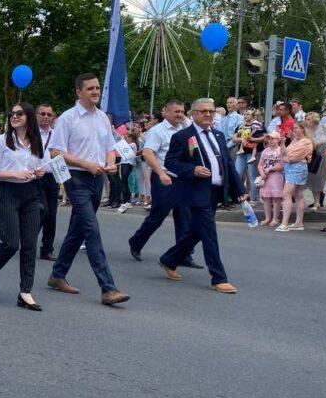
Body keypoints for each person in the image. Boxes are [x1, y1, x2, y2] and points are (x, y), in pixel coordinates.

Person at [46, 73, 130, 306]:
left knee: (79, 229)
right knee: (91, 229)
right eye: (90, 88)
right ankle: (108, 288)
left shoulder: (103, 117)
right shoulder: (67, 118)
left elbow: (110, 147)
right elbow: (55, 152)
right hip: (76, 178)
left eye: (97, 88)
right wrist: (86, 164)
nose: (95, 92)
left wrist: (111, 163)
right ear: (78, 92)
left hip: (97, 178)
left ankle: (57, 275)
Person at [156, 98, 246, 294]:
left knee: (197, 231)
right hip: (195, 193)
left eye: (211, 111)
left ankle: (169, 259)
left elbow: (228, 165)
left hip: (215, 192)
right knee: (209, 233)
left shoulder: (219, 135)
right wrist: (192, 169)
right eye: (203, 111)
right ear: (193, 113)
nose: (208, 115)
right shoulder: (183, 136)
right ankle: (218, 277)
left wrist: (240, 190)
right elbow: (171, 163)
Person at [0, 102, 45, 311]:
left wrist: (40, 171)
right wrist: (14, 174)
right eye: (12, 113)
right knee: (10, 243)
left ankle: (25, 292)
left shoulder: (37, 141)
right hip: (8, 192)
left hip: (31, 194)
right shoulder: (1, 141)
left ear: (28, 117)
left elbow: (44, 164)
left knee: (29, 244)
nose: (14, 116)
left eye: (19, 113)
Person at [128, 100, 200, 266]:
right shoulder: (158, 131)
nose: (180, 115)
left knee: (184, 217)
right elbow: (148, 153)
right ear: (165, 112)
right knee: (157, 216)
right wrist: (160, 173)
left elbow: (191, 151)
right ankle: (136, 242)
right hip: (164, 178)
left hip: (182, 179)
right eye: (176, 112)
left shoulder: (184, 130)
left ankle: (184, 255)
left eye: (182, 112)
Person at [276, 123, 313, 232]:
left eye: (296, 128)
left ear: (303, 129)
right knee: (298, 195)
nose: (294, 130)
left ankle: (284, 223)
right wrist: (282, 143)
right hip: (290, 167)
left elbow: (292, 157)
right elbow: (282, 154)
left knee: (286, 194)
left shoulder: (306, 141)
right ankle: (298, 222)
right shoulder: (294, 140)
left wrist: (286, 157)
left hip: (298, 167)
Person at [35, 104, 59, 260]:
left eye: (49, 114)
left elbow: (61, 155)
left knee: (52, 215)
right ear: (36, 115)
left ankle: (47, 249)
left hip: (53, 176)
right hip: (36, 177)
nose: (46, 117)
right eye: (42, 113)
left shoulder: (56, 134)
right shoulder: (30, 134)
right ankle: (28, 239)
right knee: (43, 212)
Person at [257, 132, 285, 226]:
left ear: (278, 139)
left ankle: (275, 218)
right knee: (266, 197)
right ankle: (267, 218)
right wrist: (262, 173)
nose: (270, 140)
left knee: (276, 198)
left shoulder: (280, 150)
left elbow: (282, 165)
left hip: (276, 175)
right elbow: (260, 164)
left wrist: (270, 169)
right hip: (266, 176)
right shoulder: (265, 151)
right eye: (269, 139)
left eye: (272, 138)